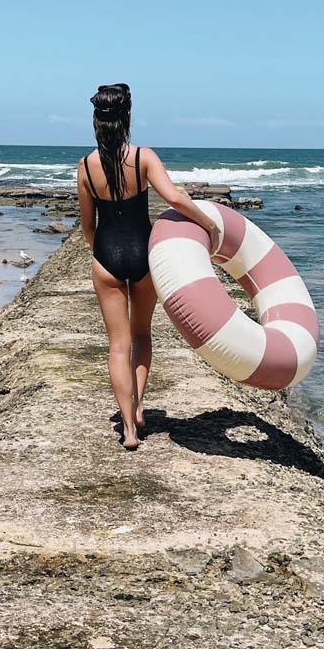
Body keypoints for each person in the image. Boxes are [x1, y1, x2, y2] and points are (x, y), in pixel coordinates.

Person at [78, 84, 219, 450]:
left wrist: (101, 254)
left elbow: (88, 225)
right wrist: (209, 224)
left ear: (96, 120)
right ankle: (139, 407)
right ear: (127, 116)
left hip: (106, 257)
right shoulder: (142, 157)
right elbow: (174, 198)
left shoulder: (86, 166)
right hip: (144, 256)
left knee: (117, 346)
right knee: (141, 335)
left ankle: (128, 430)